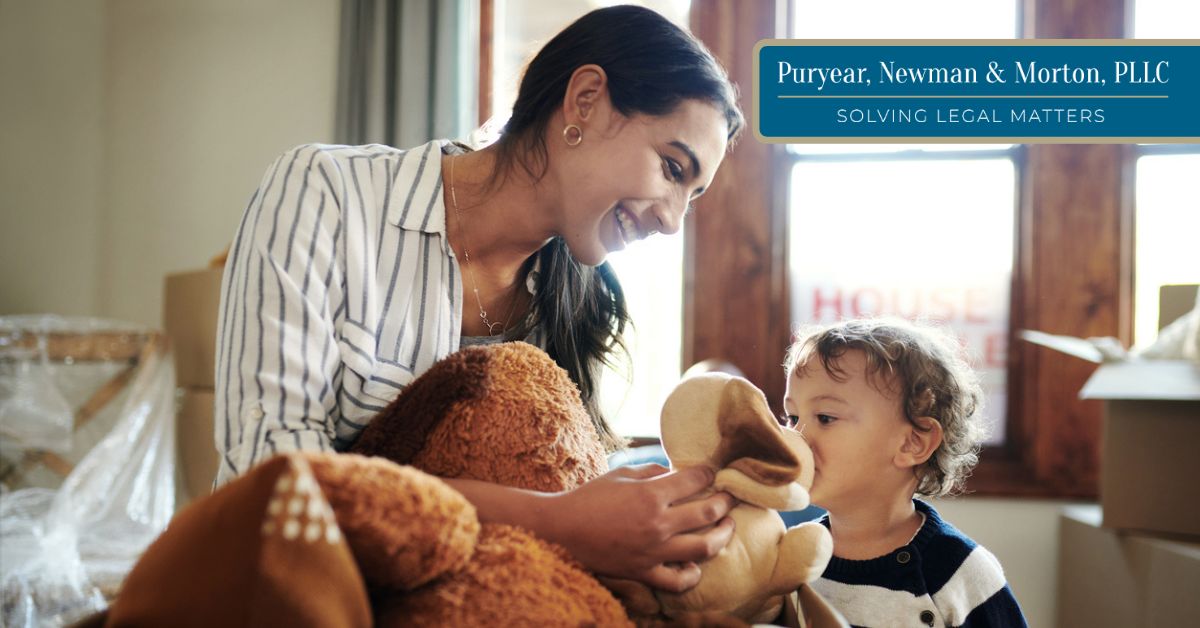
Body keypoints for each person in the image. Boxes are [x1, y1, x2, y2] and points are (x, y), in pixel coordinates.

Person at [212, 5, 744, 593]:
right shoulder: (326, 192)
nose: (673, 223)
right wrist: (556, 523)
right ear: (585, 101)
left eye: (692, 197)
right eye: (672, 167)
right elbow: (272, 473)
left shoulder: (578, 305)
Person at [781, 318, 1028, 627]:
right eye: (792, 417)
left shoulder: (957, 570)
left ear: (913, 443)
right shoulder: (790, 557)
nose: (795, 436)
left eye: (826, 417)